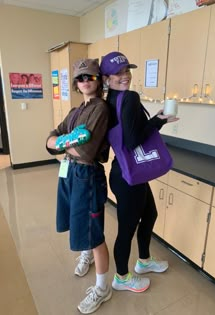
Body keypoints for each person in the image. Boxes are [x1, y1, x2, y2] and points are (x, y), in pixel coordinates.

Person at [100, 51, 179, 293]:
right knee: (126, 228)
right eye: (118, 73)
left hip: (124, 172)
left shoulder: (108, 102)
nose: (125, 76)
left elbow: (126, 134)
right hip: (129, 176)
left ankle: (144, 261)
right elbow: (133, 140)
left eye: (127, 70)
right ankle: (121, 277)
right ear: (106, 78)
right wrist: (158, 122)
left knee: (150, 214)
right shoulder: (130, 98)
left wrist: (153, 120)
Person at [46, 58, 112, 314]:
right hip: (69, 170)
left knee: (93, 232)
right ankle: (86, 255)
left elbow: (85, 151)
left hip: (87, 174)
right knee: (77, 220)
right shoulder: (76, 111)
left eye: (91, 77)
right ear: (76, 83)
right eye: (81, 78)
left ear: (98, 80)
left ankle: (103, 288)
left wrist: (60, 141)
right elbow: (50, 137)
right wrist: (65, 141)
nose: (85, 81)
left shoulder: (101, 109)